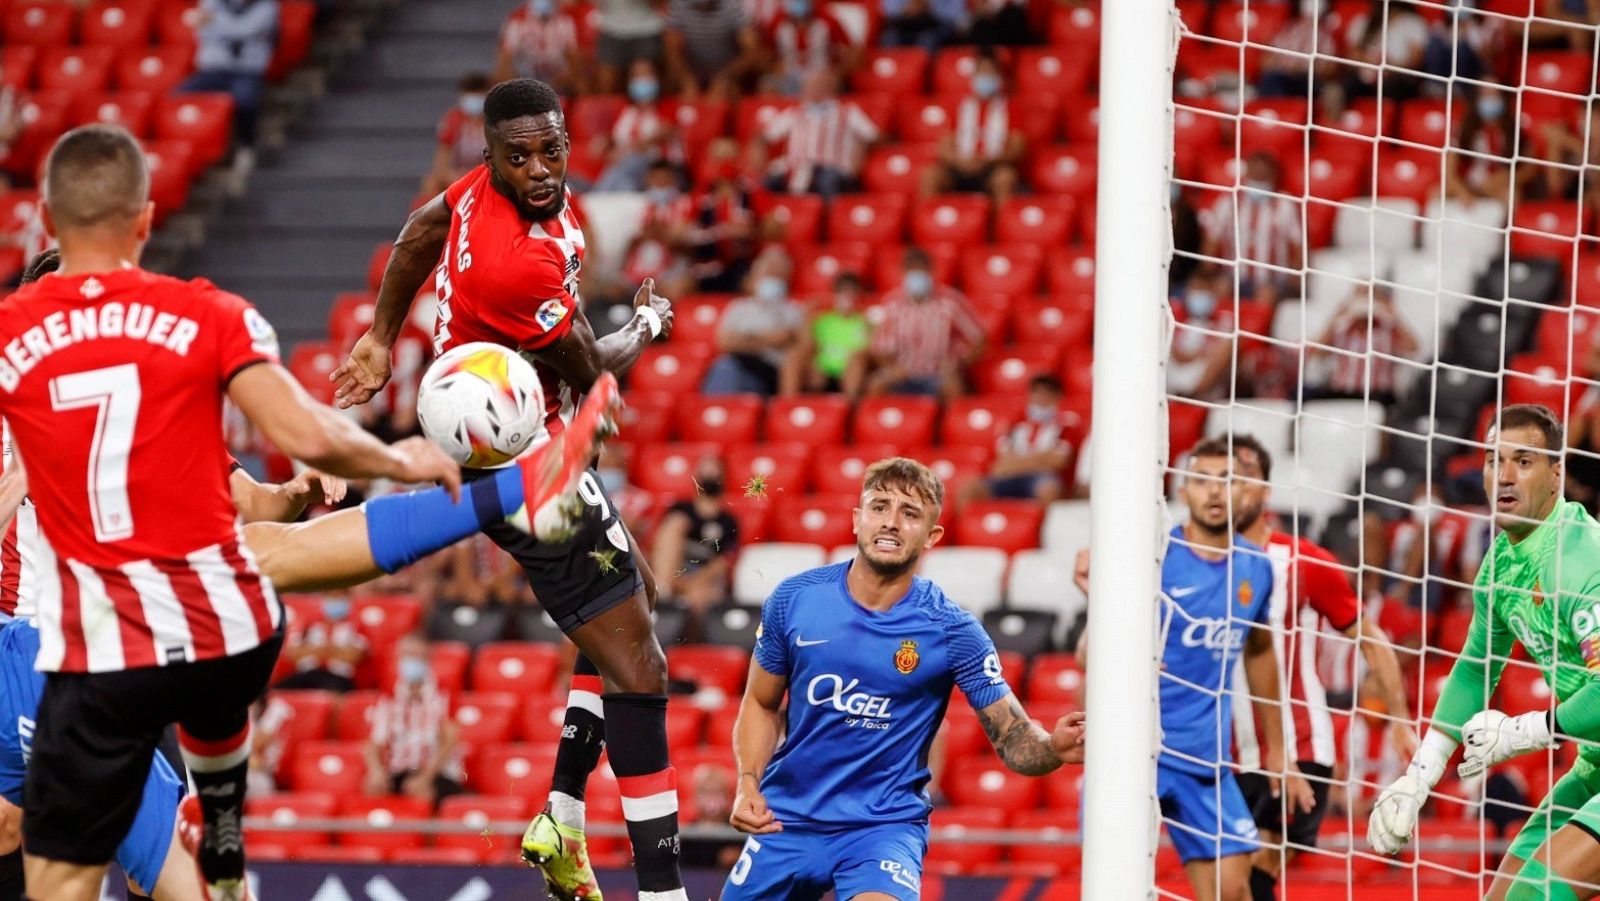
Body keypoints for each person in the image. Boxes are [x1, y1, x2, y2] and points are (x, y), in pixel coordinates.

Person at [6, 128, 620, 901]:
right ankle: (506, 490)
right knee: (251, 568)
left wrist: (292, 489)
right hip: (156, 624)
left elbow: (255, 492)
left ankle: (213, 807)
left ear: (51, 222)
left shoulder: (13, 341)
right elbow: (297, 430)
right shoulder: (197, 316)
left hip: (58, 646)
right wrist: (395, 459)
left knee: (64, 870)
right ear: (145, 220)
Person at [330, 79, 688, 901]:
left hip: (520, 441)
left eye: (549, 150)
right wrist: (650, 326)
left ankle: (562, 808)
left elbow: (423, 228)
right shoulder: (516, 266)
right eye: (517, 156)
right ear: (490, 155)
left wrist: (382, 336)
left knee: (637, 592)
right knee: (641, 668)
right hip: (529, 467)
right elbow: (594, 369)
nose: (537, 169)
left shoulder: (477, 194)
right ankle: (661, 890)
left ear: (565, 140)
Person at [723, 458, 1085, 900]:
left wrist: (1053, 748)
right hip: (787, 818)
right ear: (857, 520)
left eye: (910, 514)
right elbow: (761, 703)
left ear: (932, 536)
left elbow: (1012, 736)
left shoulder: (954, 631)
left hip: (882, 829)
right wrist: (747, 783)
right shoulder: (794, 599)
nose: (891, 522)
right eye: (879, 507)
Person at [1368, 404, 1600, 901]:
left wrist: (1523, 732)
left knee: (1533, 897)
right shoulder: (1500, 564)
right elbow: (1476, 671)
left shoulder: (1581, 559)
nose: (1505, 476)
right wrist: (1419, 777)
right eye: (1495, 461)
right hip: (1594, 764)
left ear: (1557, 473)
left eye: (1524, 460)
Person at [1077, 436, 1312, 901]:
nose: (1213, 492)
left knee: (1234, 890)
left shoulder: (1256, 567)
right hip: (1135, 755)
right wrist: (1101, 609)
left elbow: (1260, 651)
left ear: (1245, 491)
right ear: (1182, 490)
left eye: (1226, 480)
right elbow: (1088, 657)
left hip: (1207, 763)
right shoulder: (1153, 557)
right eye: (1201, 480)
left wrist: (1279, 753)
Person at [1226, 434, 1417, 901]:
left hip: (1299, 744)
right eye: (1218, 477)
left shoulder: (1302, 560)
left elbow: (1371, 637)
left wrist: (1397, 719)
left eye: (1243, 474)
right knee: (1235, 885)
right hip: (1220, 752)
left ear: (1265, 489)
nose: (1229, 487)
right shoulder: (1192, 562)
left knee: (1251, 873)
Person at [860, 246, 984, 400]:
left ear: (931, 271)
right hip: (903, 372)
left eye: (921, 269)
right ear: (903, 273)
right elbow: (878, 348)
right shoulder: (892, 303)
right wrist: (892, 368)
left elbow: (980, 339)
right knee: (876, 384)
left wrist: (958, 364)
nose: (917, 274)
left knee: (953, 386)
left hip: (937, 375)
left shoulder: (951, 302)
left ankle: (952, 422)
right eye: (912, 269)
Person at [179, 0, 280, 176]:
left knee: (246, 101)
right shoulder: (212, 2)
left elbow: (247, 30)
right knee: (177, 99)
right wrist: (222, 26)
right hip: (213, 71)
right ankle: (185, 155)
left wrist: (215, 21)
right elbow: (203, 33)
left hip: (247, 71)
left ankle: (246, 146)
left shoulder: (266, 6)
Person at [363, 633, 464, 808]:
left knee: (421, 791)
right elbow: (374, 743)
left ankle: (422, 835)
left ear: (428, 659)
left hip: (435, 773)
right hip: (400, 769)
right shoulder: (389, 695)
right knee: (372, 786)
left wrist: (425, 777)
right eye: (406, 655)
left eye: (416, 656)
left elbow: (451, 740)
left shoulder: (444, 693)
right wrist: (376, 771)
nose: (410, 662)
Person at [921, 50, 1023, 205]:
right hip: (960, 166)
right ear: (973, 75)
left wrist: (986, 160)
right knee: (930, 175)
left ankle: (999, 228)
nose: (985, 76)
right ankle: (927, 225)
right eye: (981, 72)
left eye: (989, 72)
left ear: (999, 77)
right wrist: (960, 161)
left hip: (992, 167)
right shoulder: (960, 106)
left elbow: (1017, 149)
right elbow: (944, 146)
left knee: (1005, 179)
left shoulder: (1009, 108)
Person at [756, 68, 878, 197]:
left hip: (832, 168)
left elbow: (873, 136)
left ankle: (831, 215)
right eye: (809, 85)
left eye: (817, 85)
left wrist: (861, 148)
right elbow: (764, 137)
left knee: (828, 180)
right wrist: (757, 147)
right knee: (766, 184)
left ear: (829, 88)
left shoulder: (847, 112)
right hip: (797, 168)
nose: (810, 89)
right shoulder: (794, 112)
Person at [701, 247, 806, 397]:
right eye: (768, 270)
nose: (772, 275)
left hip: (770, 372)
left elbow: (799, 348)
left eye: (777, 272)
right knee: (724, 368)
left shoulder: (795, 310)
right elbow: (724, 341)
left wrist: (746, 340)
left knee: (727, 371)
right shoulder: (739, 307)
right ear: (755, 274)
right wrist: (769, 339)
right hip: (738, 364)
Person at [959, 374, 1073, 509]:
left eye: (1047, 394)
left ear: (1057, 398)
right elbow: (1001, 463)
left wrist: (1017, 463)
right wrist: (1042, 459)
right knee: (969, 489)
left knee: (1049, 490)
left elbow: (1058, 461)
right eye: (1037, 393)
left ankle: (1042, 529)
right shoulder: (1015, 423)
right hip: (1011, 477)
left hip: (1040, 478)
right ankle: (970, 528)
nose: (1042, 399)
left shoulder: (1065, 426)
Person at [1198, 152, 1302, 296]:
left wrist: (1294, 277)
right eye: (1254, 175)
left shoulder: (1284, 205)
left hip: (1271, 281)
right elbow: (1212, 241)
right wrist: (1208, 273)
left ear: (1273, 177)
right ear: (1246, 175)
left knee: (1265, 295)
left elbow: (1299, 245)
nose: (1258, 180)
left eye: (1262, 177)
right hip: (1233, 277)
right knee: (1218, 289)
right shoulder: (1229, 202)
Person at [650, 457, 739, 622]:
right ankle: (663, 588)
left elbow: (724, 561)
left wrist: (691, 582)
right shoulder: (680, 508)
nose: (710, 474)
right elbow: (660, 543)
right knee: (674, 524)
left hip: (703, 578)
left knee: (699, 598)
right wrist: (673, 580)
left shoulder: (728, 520)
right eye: (706, 470)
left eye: (715, 470)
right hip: (674, 570)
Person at [1310, 284, 1419, 407]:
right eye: (1361, 296)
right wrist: (1338, 314)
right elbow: (1316, 352)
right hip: (1342, 393)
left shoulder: (1388, 331)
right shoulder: (1341, 330)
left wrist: (1393, 313)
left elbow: (1413, 348)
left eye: (1370, 296)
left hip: (1378, 395)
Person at [593, 59, 680, 193]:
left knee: (631, 163)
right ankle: (602, 196)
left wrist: (630, 149)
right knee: (623, 179)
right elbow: (614, 137)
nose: (642, 80)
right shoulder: (623, 110)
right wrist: (605, 141)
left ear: (657, 78)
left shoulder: (667, 107)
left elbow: (662, 133)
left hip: (658, 166)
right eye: (637, 76)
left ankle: (599, 196)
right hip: (624, 167)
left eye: (647, 75)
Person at [662, 0, 763, 98]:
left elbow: (751, 50)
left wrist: (726, 77)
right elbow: (671, 48)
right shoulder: (679, 4)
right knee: (673, 86)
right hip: (690, 71)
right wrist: (685, 78)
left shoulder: (732, 5)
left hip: (728, 72)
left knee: (733, 92)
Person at [796, 271, 870, 396]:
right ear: (835, 295)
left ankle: (851, 407)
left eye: (851, 292)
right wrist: (807, 317)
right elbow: (807, 345)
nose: (847, 296)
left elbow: (868, 352)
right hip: (823, 372)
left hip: (849, 374)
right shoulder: (823, 321)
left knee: (857, 364)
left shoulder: (865, 323)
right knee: (799, 360)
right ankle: (787, 407)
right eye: (842, 292)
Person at [275, 593, 367, 693]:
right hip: (308, 674)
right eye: (331, 598)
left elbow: (354, 655)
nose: (334, 602)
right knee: (276, 691)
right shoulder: (311, 625)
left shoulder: (356, 626)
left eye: (338, 598)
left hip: (338, 677)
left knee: (334, 690)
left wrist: (314, 650)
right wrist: (333, 651)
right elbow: (292, 653)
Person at [494, 0, 585, 94]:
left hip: (557, 75)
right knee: (500, 81)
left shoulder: (565, 21)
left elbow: (573, 57)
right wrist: (512, 82)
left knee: (581, 82)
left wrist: (569, 77)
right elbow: (505, 57)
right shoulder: (518, 19)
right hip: (525, 76)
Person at [423, 74, 491, 198]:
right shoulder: (453, 120)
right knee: (431, 182)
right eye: (470, 95)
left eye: (477, 95)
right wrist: (456, 177)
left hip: (489, 175)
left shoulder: (494, 122)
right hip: (459, 175)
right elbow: (441, 162)